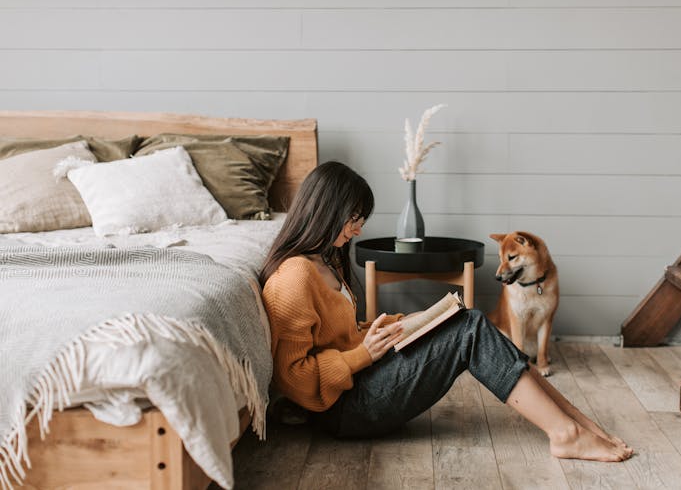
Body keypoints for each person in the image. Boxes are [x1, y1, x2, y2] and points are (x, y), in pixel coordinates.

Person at [260, 161, 633, 462]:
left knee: (465, 319)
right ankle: (565, 433)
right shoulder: (292, 278)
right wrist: (363, 354)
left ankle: (575, 424)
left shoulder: (325, 262)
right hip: (344, 410)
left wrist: (390, 328)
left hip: (361, 381)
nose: (357, 230)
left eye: (360, 219)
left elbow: (335, 333)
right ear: (326, 211)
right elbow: (293, 378)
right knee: (470, 328)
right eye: (353, 218)